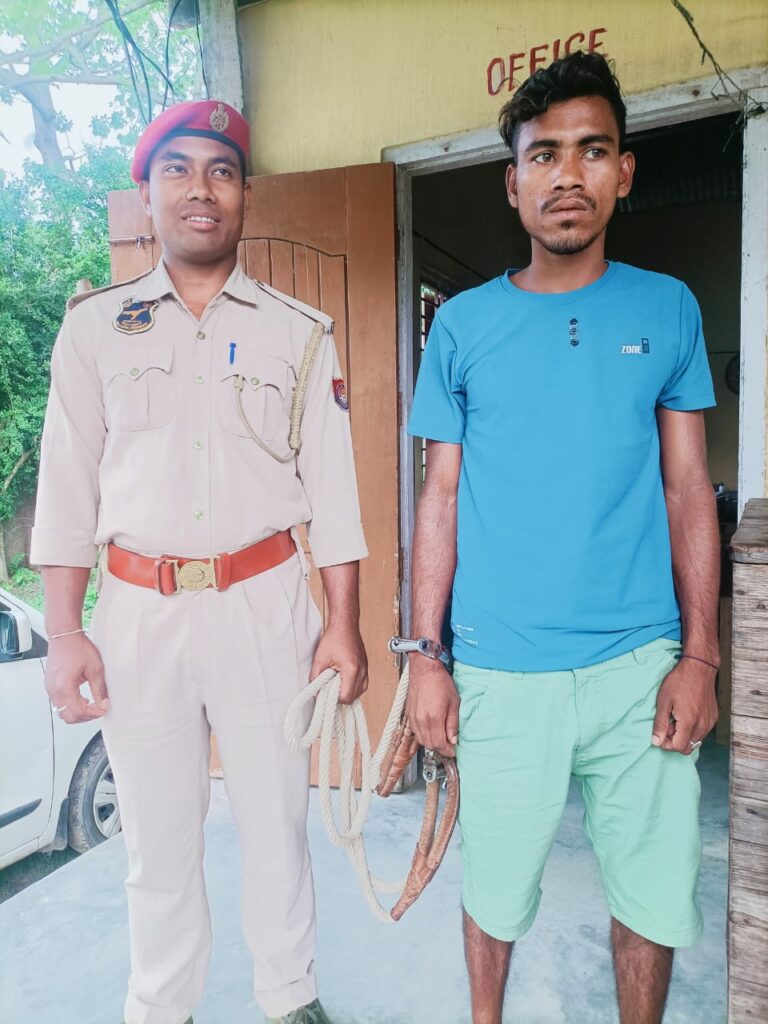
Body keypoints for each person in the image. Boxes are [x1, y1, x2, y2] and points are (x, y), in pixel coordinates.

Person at [31, 100, 368, 1024]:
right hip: (138, 614)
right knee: (158, 843)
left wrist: (343, 625)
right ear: (147, 196)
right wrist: (64, 632)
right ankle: (161, 1005)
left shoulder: (300, 332)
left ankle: (290, 999)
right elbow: (66, 491)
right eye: (177, 170)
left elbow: (334, 493)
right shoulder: (94, 329)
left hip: (266, 604)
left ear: (245, 195)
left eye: (220, 171)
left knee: (278, 829)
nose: (200, 190)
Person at [405, 52, 720, 1024]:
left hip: (640, 665)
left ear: (624, 170)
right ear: (513, 183)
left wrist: (701, 655)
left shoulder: (668, 308)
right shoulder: (463, 327)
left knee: (652, 894)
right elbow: (440, 498)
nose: (567, 174)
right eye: (543, 155)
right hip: (502, 667)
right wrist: (424, 655)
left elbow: (687, 488)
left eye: (591, 150)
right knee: (494, 892)